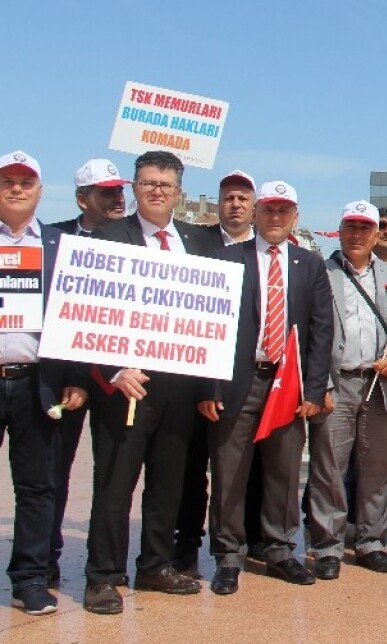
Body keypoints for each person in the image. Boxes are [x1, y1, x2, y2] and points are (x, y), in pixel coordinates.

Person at [83, 151, 221, 615]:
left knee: (169, 483)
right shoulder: (108, 237)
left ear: (178, 191)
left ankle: (154, 565)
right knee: (116, 483)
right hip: (128, 384)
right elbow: (87, 312)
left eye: (164, 183)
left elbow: (213, 317)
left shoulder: (199, 242)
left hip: (181, 385)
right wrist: (114, 369)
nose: (156, 190)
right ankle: (103, 576)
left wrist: (207, 386)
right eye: (147, 183)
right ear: (134, 189)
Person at [201, 181, 334, 596]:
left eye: (284, 211)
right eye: (269, 210)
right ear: (257, 213)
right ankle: (228, 557)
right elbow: (211, 326)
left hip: (287, 385)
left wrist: (312, 391)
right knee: (229, 471)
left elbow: (321, 331)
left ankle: (279, 549)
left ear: (295, 217)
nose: (276, 218)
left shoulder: (310, 265)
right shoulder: (227, 258)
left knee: (283, 470)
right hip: (238, 382)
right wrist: (210, 386)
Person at [0, 150, 88, 615]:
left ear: (39, 191)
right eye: (7, 181)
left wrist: (74, 377)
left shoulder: (58, 245)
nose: (16, 188)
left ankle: (30, 579)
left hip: (38, 382)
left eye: (25, 182)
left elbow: (74, 316)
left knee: (38, 487)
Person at [307, 200, 387, 579]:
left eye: (366, 228)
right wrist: (321, 385)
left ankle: (371, 542)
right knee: (329, 467)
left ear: (377, 233)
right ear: (341, 230)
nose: (358, 235)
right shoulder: (322, 272)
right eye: (352, 227)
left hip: (379, 384)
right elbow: (314, 331)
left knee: (380, 467)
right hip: (339, 383)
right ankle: (328, 546)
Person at [46, 157, 127, 586]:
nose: (118, 198)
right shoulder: (53, 240)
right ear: (83, 198)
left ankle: (105, 566)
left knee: (112, 477)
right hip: (66, 380)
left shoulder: (135, 240)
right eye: (107, 192)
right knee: (52, 474)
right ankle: (45, 559)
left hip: (118, 381)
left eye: (120, 191)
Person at [175, 167, 258, 570]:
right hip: (198, 378)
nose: (236, 204)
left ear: (255, 206)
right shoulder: (195, 243)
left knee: (249, 466)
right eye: (229, 197)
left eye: (243, 198)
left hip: (250, 379)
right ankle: (187, 543)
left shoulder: (269, 250)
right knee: (192, 467)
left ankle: (253, 540)